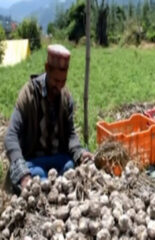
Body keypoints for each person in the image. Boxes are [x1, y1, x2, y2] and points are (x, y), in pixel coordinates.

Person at [5, 44, 93, 191]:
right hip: (33, 161)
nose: (59, 87)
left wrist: (80, 153)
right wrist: (22, 172)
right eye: (55, 81)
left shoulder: (66, 98)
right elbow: (10, 136)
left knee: (70, 167)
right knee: (38, 175)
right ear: (47, 68)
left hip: (58, 159)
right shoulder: (28, 95)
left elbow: (71, 135)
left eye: (63, 81)